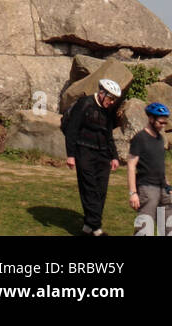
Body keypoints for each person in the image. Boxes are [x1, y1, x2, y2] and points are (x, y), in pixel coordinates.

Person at [63, 77, 122, 236]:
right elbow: (72, 130)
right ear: (101, 93)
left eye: (114, 100)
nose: (111, 102)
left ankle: (88, 227)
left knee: (100, 191)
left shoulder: (108, 110)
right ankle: (97, 229)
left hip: (102, 155)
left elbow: (108, 135)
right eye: (110, 98)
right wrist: (71, 155)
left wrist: (114, 156)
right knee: (89, 189)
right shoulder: (85, 104)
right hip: (84, 152)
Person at [127, 102, 172, 235]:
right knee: (145, 228)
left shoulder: (160, 139)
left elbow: (160, 166)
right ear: (151, 119)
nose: (163, 126)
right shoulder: (140, 138)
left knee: (169, 228)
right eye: (161, 122)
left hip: (163, 188)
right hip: (147, 189)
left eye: (165, 123)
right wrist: (133, 193)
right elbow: (131, 165)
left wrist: (169, 189)